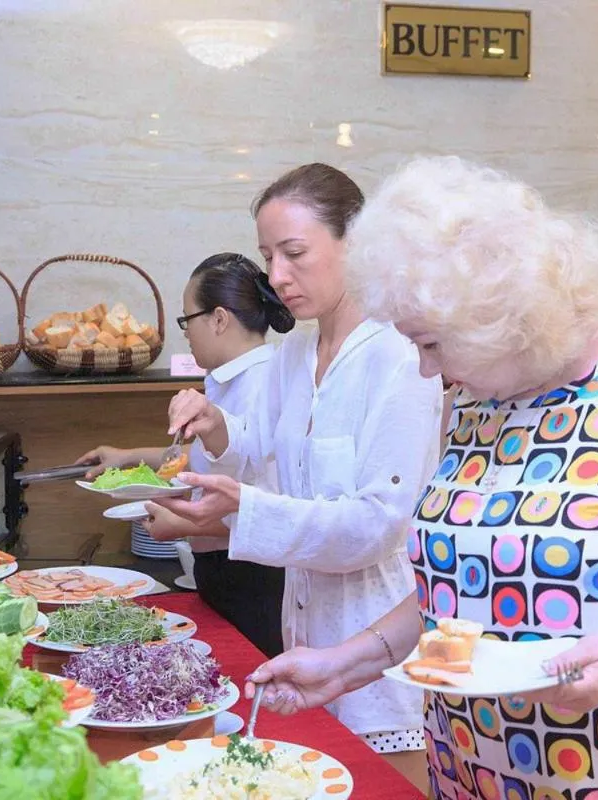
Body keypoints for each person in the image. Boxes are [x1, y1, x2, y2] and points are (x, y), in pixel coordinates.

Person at [243, 156, 598, 799]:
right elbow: (455, 590)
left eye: (431, 344)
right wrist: (346, 664)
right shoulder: (480, 400)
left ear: (503, 313)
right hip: (466, 765)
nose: (427, 372)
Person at [157, 163, 445, 779]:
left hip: (384, 647)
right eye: (268, 257)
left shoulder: (400, 356)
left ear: (357, 242)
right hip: (304, 631)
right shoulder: (292, 353)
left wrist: (240, 511)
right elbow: (257, 448)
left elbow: (379, 525)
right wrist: (212, 421)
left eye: (294, 253)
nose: (277, 277)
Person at [76, 252, 294, 656]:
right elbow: (201, 458)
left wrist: (185, 523)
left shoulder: (264, 384)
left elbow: (274, 507)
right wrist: (125, 456)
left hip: (255, 579)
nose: (186, 334)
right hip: (225, 572)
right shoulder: (229, 378)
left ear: (219, 319)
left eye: (186, 320)